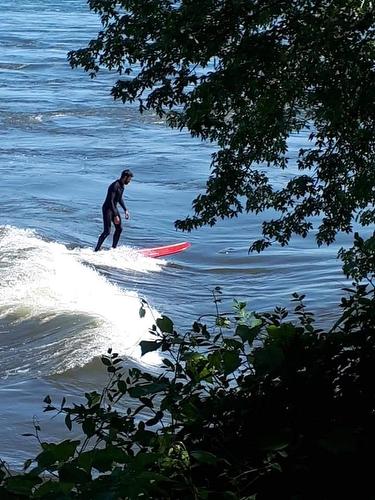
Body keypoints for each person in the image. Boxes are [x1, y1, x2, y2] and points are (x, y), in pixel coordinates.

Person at [94, 169, 133, 251]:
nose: (130, 181)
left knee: (119, 229)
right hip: (107, 209)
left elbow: (119, 198)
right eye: (129, 179)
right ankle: (96, 249)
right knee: (107, 231)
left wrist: (125, 209)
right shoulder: (115, 185)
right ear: (125, 177)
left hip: (113, 208)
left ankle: (113, 248)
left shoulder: (122, 186)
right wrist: (115, 215)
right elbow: (111, 200)